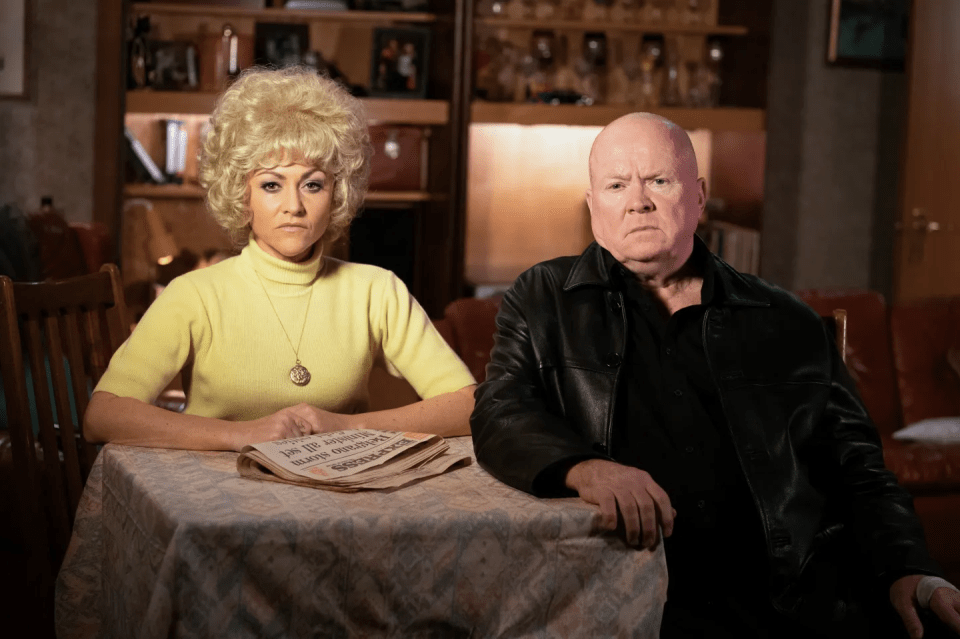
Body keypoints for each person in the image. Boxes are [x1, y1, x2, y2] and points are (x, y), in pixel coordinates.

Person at [470, 113, 960, 638]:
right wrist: (587, 469)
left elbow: (859, 466)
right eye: (616, 185)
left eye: (659, 181)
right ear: (594, 206)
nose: (638, 201)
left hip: (773, 599)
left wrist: (907, 567)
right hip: (616, 590)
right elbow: (500, 410)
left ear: (698, 196)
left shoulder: (785, 320)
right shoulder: (542, 299)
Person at [85, 67, 475, 451]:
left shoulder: (377, 290)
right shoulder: (193, 294)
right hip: (219, 503)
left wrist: (347, 426)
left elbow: (470, 405)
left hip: (339, 499)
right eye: (271, 184)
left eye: (312, 184)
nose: (294, 206)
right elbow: (103, 415)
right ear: (242, 194)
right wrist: (240, 435)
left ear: (336, 194)